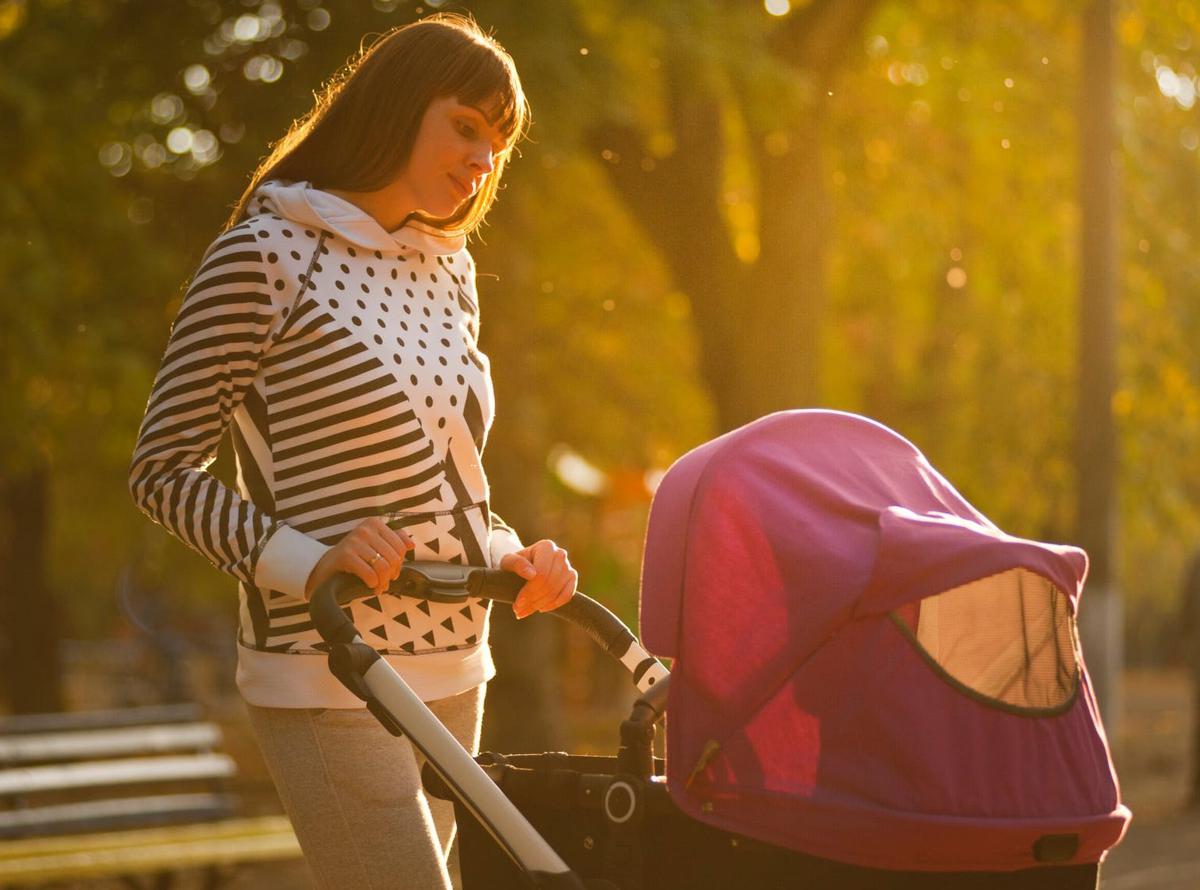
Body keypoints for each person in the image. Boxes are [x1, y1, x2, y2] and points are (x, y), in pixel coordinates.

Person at [128, 14, 577, 888]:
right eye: (467, 125)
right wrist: (307, 558)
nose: (485, 158)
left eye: (500, 142)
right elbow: (163, 469)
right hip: (327, 660)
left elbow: (444, 469)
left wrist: (507, 551)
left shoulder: (446, 268)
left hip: (456, 655)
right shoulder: (264, 252)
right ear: (401, 104)